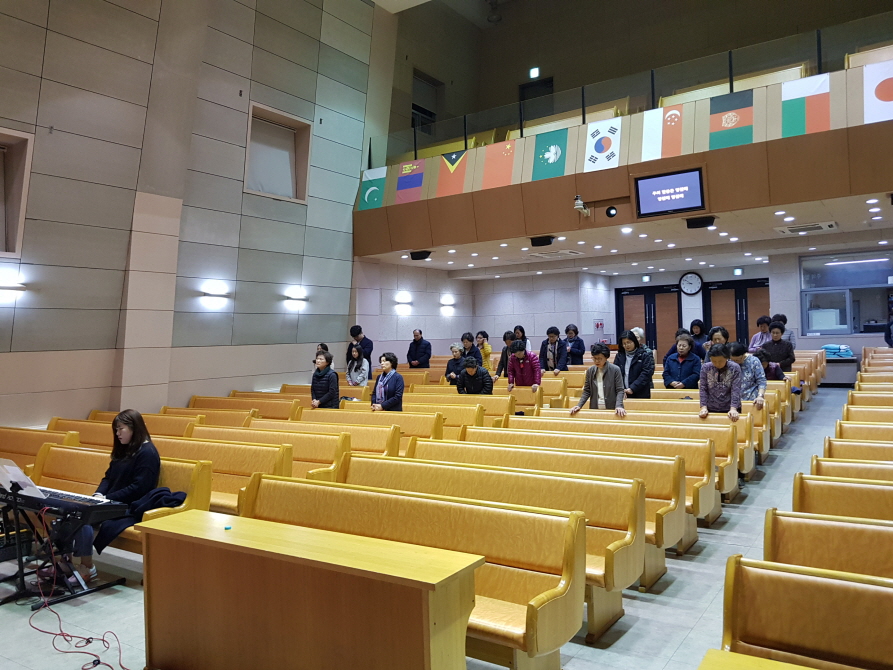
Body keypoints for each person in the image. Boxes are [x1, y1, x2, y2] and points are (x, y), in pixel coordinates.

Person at [69, 410, 160, 583]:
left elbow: (139, 488)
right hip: (113, 501)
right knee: (70, 513)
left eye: (121, 429)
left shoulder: (147, 453)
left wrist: (107, 499)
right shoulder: (125, 449)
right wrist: (98, 494)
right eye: (116, 430)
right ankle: (64, 563)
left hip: (130, 506)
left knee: (84, 518)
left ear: (134, 428)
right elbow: (108, 477)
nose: (117, 434)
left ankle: (87, 567)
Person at [570, 343, 626, 416]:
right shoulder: (590, 370)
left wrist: (619, 406)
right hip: (595, 408)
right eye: (594, 358)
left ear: (606, 357)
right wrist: (579, 405)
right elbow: (587, 391)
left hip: (612, 408)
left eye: (599, 358)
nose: (596, 361)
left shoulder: (615, 369)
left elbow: (620, 390)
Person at [699, 343, 742, 422]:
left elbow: (736, 389)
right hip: (710, 408)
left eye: (720, 361)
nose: (717, 364)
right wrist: (703, 407)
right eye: (714, 361)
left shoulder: (735, 368)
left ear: (726, 357)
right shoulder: (705, 367)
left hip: (730, 409)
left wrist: (733, 408)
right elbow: (703, 388)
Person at [614, 329, 654, 398]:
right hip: (623, 393)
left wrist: (633, 388)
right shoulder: (619, 356)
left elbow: (646, 374)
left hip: (640, 393)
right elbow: (616, 373)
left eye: (629, 342)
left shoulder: (644, 355)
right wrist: (621, 389)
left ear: (634, 341)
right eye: (624, 343)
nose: (627, 345)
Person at [729, 342, 766, 410]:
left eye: (738, 359)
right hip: (732, 401)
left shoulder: (754, 361)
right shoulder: (729, 362)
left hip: (751, 398)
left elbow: (761, 381)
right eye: (733, 360)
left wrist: (760, 396)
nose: (735, 362)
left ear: (744, 354)